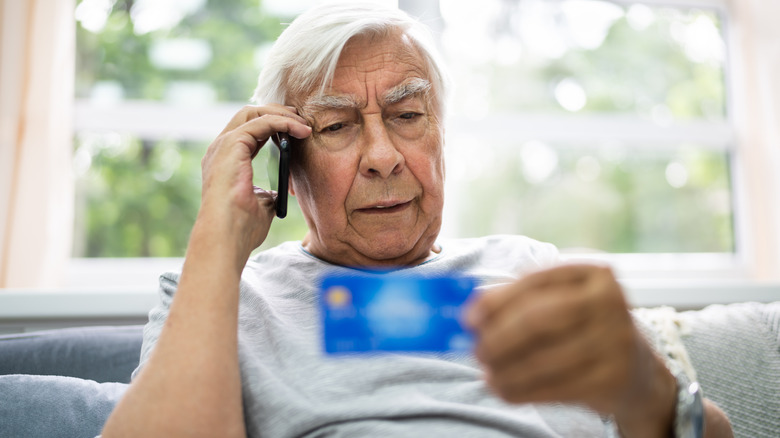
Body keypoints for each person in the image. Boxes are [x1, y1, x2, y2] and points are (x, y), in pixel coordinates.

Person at [102, 3, 733, 437]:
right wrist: (217, 230)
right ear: (285, 162)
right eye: (338, 126)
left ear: (440, 136)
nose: (383, 158)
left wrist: (645, 386)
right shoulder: (220, 294)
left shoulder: (531, 266)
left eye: (407, 116)